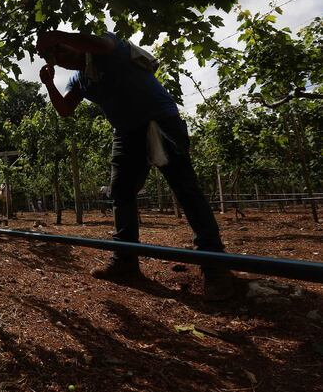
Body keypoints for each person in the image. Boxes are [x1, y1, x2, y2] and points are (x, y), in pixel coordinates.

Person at [36, 30, 234, 300]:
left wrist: (56, 35)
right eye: (56, 57)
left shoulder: (106, 46)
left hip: (159, 120)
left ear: (75, 43)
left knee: (185, 189)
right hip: (126, 132)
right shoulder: (80, 78)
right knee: (121, 192)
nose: (63, 58)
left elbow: (101, 44)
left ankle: (215, 267)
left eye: (63, 49)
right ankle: (125, 260)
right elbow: (65, 110)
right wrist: (49, 84)